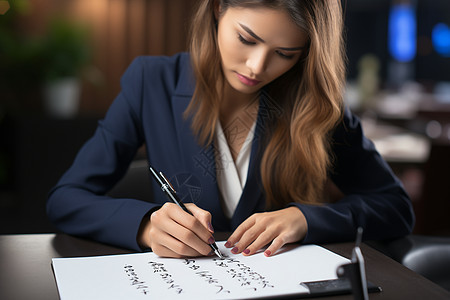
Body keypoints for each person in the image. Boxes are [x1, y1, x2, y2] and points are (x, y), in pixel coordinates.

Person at [47, 0, 415, 258]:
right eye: (246, 39)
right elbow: (65, 199)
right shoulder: (151, 82)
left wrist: (305, 218)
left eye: (285, 54)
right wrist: (144, 225)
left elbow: (396, 208)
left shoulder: (315, 106)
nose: (256, 67)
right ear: (219, 8)